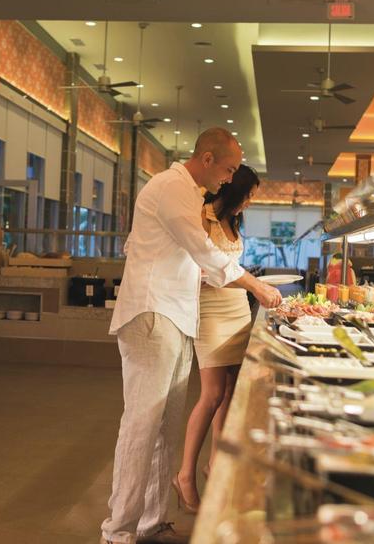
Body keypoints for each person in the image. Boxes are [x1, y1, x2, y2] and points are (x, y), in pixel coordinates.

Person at [101, 128, 282, 544]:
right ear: (205, 158)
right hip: (152, 313)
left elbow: (180, 254)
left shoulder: (188, 192)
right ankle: (118, 531)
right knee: (142, 425)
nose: (229, 178)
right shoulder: (172, 188)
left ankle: (150, 522)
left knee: (165, 427)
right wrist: (257, 287)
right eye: (228, 169)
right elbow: (204, 251)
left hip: (177, 316)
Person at [174, 164, 259, 511]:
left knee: (228, 396)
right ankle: (184, 475)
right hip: (210, 312)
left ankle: (217, 466)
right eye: (249, 195)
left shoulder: (234, 222)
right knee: (210, 395)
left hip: (238, 309)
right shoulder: (203, 215)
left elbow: (230, 269)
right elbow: (192, 264)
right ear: (235, 189)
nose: (250, 202)